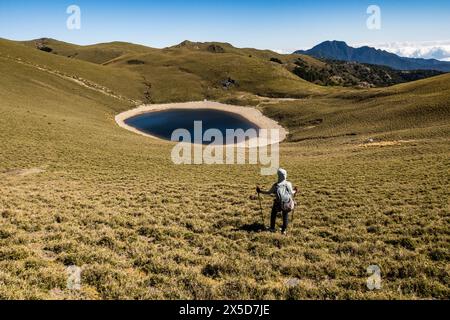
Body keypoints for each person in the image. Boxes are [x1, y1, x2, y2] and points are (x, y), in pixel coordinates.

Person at [257, 168, 297, 235]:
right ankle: (284, 230)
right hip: (287, 203)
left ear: (278, 176)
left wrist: (260, 191)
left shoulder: (276, 185)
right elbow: (291, 192)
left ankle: (272, 228)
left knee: (273, 214)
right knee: (285, 215)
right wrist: (295, 190)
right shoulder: (288, 184)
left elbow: (269, 192)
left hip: (278, 203)